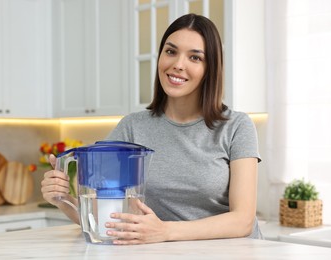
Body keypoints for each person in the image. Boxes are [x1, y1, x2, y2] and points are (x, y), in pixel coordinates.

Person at [41, 13, 263, 245]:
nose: (178, 64)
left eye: (195, 58)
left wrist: (165, 231)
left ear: (210, 68)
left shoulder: (236, 126)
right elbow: (105, 218)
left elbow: (243, 220)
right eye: (171, 51)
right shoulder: (133, 127)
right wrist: (63, 199)